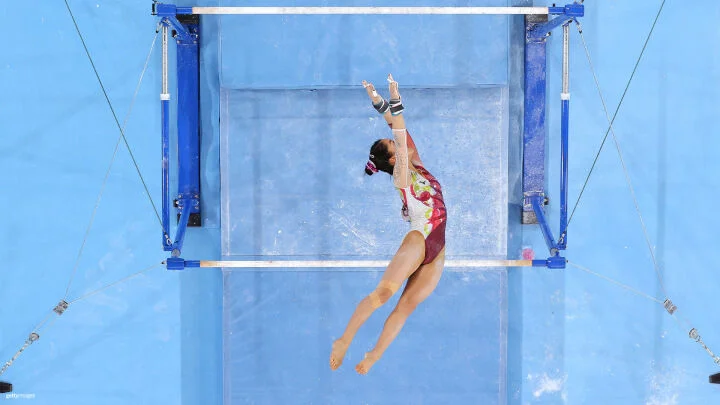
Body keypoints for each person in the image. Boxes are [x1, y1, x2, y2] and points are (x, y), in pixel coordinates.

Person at [330, 74, 447, 375]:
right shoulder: (402, 175)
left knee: (406, 307)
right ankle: (343, 340)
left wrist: (380, 103)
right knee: (383, 295)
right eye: (395, 146)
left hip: (438, 244)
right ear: (394, 160)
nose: (403, 143)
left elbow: (395, 129)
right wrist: (394, 102)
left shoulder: (414, 160)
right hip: (420, 238)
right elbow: (399, 130)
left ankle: (374, 355)